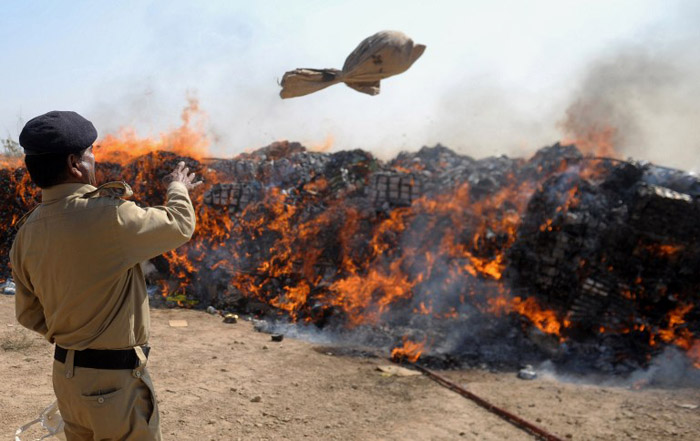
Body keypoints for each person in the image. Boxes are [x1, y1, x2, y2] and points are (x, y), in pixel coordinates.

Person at [10, 110, 201, 440]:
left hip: (67, 380)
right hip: (113, 386)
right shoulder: (107, 215)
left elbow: (28, 314)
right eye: (90, 151)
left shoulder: (27, 231)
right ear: (74, 163)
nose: (94, 158)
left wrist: (74, 332)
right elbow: (179, 225)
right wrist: (178, 188)